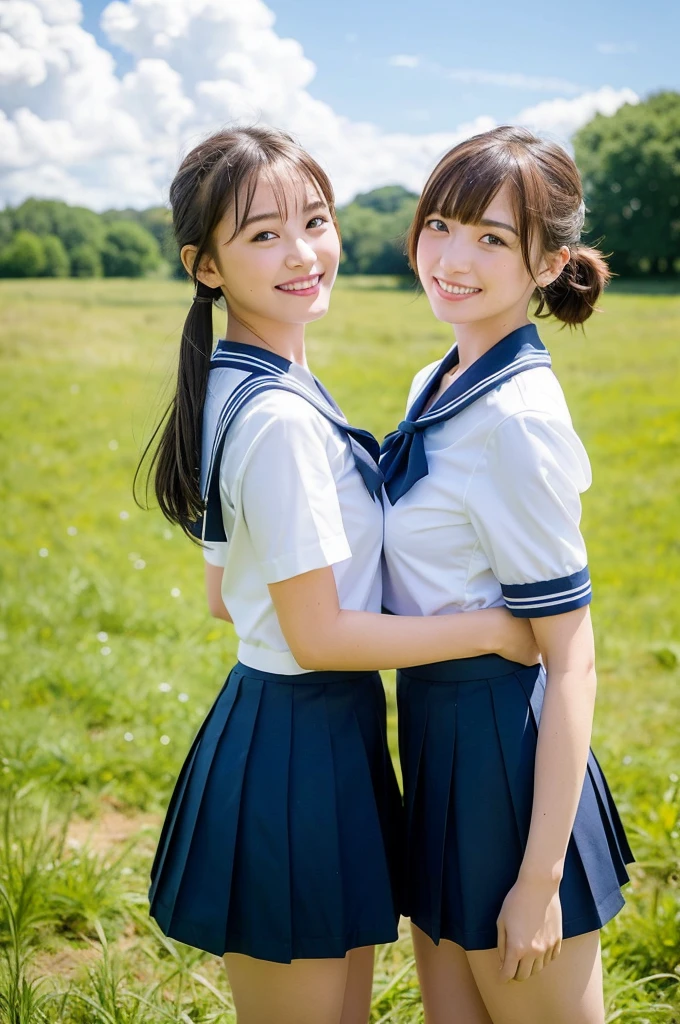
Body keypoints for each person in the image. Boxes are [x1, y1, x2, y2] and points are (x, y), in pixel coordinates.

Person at [137, 125, 537, 1024]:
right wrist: (493, 629)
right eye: (263, 235)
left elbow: (220, 595)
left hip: (313, 734)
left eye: (314, 221)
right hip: (295, 747)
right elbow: (317, 635)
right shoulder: (276, 417)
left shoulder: (252, 383)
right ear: (207, 267)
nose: (303, 252)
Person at [380, 126, 634, 1024]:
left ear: (548, 262)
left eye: (492, 237)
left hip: (507, 762)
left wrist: (539, 879)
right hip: (436, 739)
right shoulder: (438, 376)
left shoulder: (515, 422)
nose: (452, 257)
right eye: (441, 224)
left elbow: (573, 661)